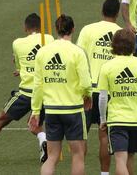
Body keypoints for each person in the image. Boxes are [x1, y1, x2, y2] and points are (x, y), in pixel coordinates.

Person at [29, 15, 92, 174]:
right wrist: (88, 96)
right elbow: (85, 82)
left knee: (52, 156)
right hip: (73, 110)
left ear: (56, 29)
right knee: (78, 155)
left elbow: (37, 85)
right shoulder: (78, 52)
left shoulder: (42, 52)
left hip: (52, 111)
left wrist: (36, 111)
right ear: (73, 29)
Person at [0, 13, 53, 163]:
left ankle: (44, 140)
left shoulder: (17, 43)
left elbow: (20, 66)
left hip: (27, 93)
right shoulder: (49, 39)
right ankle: (43, 140)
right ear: (40, 27)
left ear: (25, 27)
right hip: (46, 93)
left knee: (1, 119)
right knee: (34, 125)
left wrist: (21, 70)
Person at [98, 28, 137, 175]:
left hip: (117, 119)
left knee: (120, 160)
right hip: (136, 120)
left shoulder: (107, 67)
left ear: (114, 44)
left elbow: (103, 97)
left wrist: (103, 119)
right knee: (130, 158)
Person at [76, 0, 121, 175]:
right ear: (117, 14)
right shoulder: (120, 33)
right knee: (104, 136)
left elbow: (78, 57)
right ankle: (104, 174)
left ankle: (79, 170)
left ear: (102, 11)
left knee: (81, 137)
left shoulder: (88, 30)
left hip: (87, 91)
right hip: (108, 92)